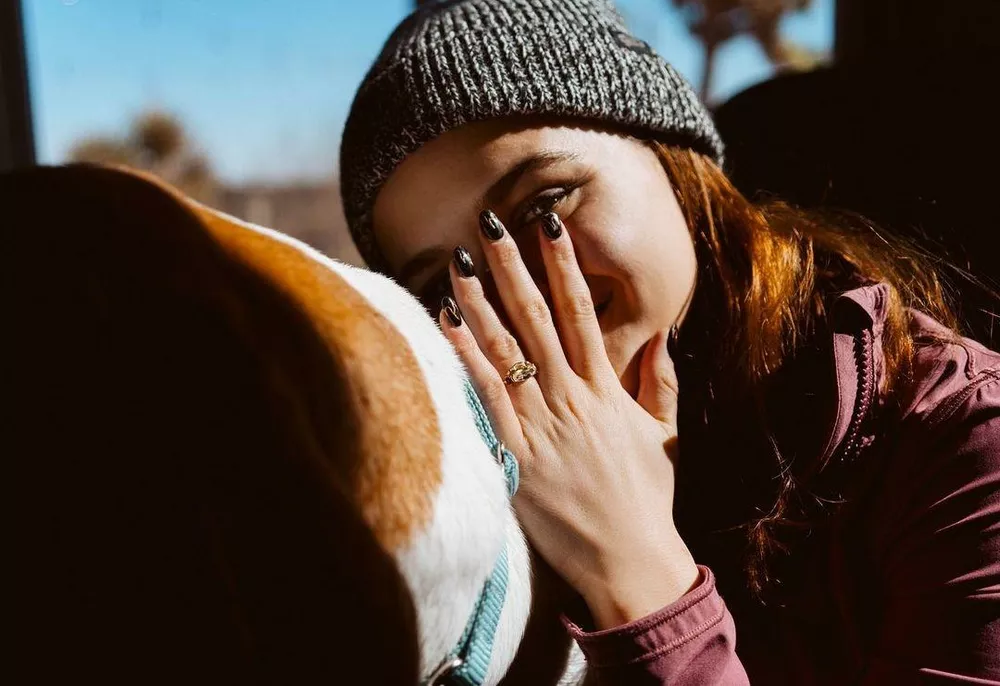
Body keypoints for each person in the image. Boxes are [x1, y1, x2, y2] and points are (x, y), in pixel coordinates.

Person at [339, 0, 1000, 682]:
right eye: (452, 280)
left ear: (673, 162)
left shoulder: (956, 434)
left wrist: (637, 578)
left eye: (544, 205)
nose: (518, 300)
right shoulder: (475, 499)